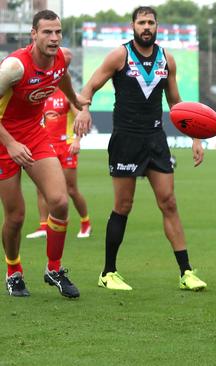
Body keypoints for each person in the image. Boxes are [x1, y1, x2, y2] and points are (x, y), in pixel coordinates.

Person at [74, 6, 207, 291]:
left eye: (151, 22)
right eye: (141, 22)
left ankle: (186, 272)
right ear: (132, 26)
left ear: (157, 26)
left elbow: (177, 105)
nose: (146, 27)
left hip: (155, 139)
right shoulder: (119, 55)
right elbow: (88, 89)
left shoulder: (166, 59)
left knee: (169, 202)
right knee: (123, 205)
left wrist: (196, 137)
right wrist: (84, 110)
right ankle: (108, 272)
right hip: (125, 139)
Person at [1, 10, 87, 298]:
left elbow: (61, 78)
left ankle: (54, 268)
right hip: (3, 139)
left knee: (60, 202)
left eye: (57, 32)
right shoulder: (14, 67)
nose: (53, 38)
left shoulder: (63, 57)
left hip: (35, 135)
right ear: (33, 34)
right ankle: (13, 271)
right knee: (16, 216)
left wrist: (76, 101)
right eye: (47, 32)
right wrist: (11, 144)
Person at [25, 88, 92, 239]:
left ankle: (85, 223)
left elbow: (79, 118)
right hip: (46, 147)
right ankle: (43, 226)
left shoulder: (66, 95)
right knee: (41, 189)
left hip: (66, 147)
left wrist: (77, 140)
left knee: (71, 189)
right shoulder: (40, 95)